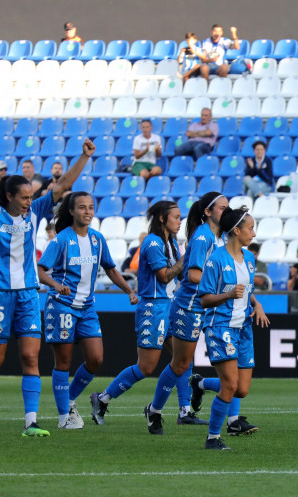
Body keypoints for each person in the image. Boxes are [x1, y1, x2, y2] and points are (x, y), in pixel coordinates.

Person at [0, 139, 95, 437]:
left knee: (31, 357)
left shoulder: (35, 212)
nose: (28, 201)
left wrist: (84, 157)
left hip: (28, 294)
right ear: (9, 196)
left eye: (30, 197)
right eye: (23, 197)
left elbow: (61, 186)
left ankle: (30, 423)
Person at [37, 192, 137, 430]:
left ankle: (70, 400)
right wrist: (56, 285)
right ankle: (64, 417)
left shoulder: (97, 239)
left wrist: (129, 291)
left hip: (87, 307)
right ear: (71, 211)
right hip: (62, 306)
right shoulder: (62, 239)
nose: (88, 212)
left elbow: (111, 269)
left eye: (91, 207)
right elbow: (40, 270)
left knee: (96, 359)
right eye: (82, 207)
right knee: (63, 362)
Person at [89, 201, 183, 428]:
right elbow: (163, 276)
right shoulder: (152, 242)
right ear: (162, 218)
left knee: (182, 359)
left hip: (169, 305)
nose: (180, 222)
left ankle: (176, 410)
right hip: (153, 307)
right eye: (176, 217)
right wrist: (185, 260)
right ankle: (103, 398)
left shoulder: (172, 243)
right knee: (146, 367)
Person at [146, 192, 230, 430]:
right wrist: (223, 287)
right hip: (190, 306)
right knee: (180, 364)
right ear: (208, 212)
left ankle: (232, 419)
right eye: (222, 208)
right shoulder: (203, 237)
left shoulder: (220, 236)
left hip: (209, 307)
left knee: (228, 361)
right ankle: (155, 411)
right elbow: (192, 275)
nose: (226, 211)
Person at [197, 206, 269, 450]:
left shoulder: (249, 258)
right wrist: (227, 295)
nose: (254, 234)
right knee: (229, 385)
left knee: (241, 390)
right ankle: (213, 437)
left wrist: (257, 304)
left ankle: (199, 384)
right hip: (220, 325)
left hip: (244, 327)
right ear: (236, 231)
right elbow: (204, 299)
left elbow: (247, 292)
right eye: (250, 229)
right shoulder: (216, 259)